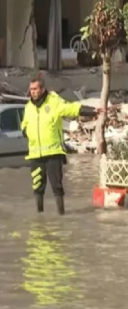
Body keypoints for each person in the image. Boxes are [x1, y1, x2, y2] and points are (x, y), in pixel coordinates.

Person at [20, 77, 103, 215]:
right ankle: (39, 216)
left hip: (53, 153)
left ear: (42, 89)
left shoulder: (54, 101)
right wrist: (26, 131)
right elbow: (24, 124)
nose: (32, 92)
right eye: (31, 89)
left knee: (57, 187)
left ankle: (61, 215)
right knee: (37, 186)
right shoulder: (29, 106)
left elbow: (71, 108)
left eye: (35, 89)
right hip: (35, 155)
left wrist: (93, 111)